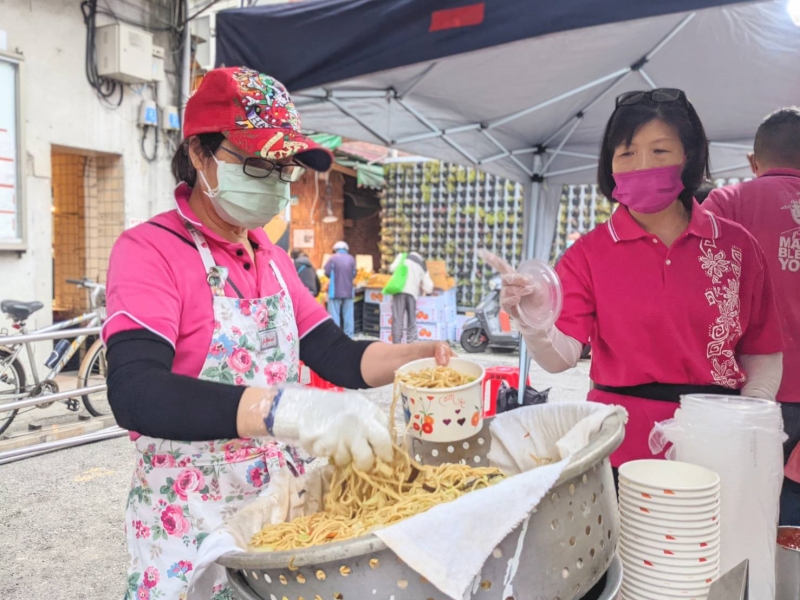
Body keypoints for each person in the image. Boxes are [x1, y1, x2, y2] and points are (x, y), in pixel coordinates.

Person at [102, 67, 452, 600]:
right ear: (199, 154)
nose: (273, 180)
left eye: (282, 167)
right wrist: (286, 411)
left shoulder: (270, 257)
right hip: (189, 523)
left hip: (277, 517)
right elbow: (136, 392)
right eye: (256, 163)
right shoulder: (149, 251)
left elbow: (337, 355)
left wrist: (416, 356)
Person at [486, 88, 784, 473]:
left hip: (715, 444)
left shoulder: (737, 246)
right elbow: (561, 358)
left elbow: (762, 349)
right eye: (627, 153)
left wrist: (751, 416)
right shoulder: (589, 253)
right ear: (609, 164)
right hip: (617, 445)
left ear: (688, 155)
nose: (642, 164)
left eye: (660, 151)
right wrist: (535, 320)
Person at [703, 107, 800, 524]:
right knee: (790, 527)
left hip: (743, 393)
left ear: (753, 162)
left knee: (736, 515)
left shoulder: (726, 203)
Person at [388, 251, 435, 344]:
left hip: (399, 290)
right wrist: (424, 290)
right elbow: (429, 286)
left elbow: (391, 268)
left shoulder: (402, 256)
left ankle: (396, 343)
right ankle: (411, 342)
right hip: (412, 294)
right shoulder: (421, 264)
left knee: (397, 318)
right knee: (411, 320)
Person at [324, 241, 356, 336]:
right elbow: (354, 274)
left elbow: (327, 272)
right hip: (349, 291)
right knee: (348, 314)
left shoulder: (333, 258)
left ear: (336, 249)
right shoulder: (351, 259)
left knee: (334, 314)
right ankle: (349, 335)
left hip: (335, 291)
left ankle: (336, 335)